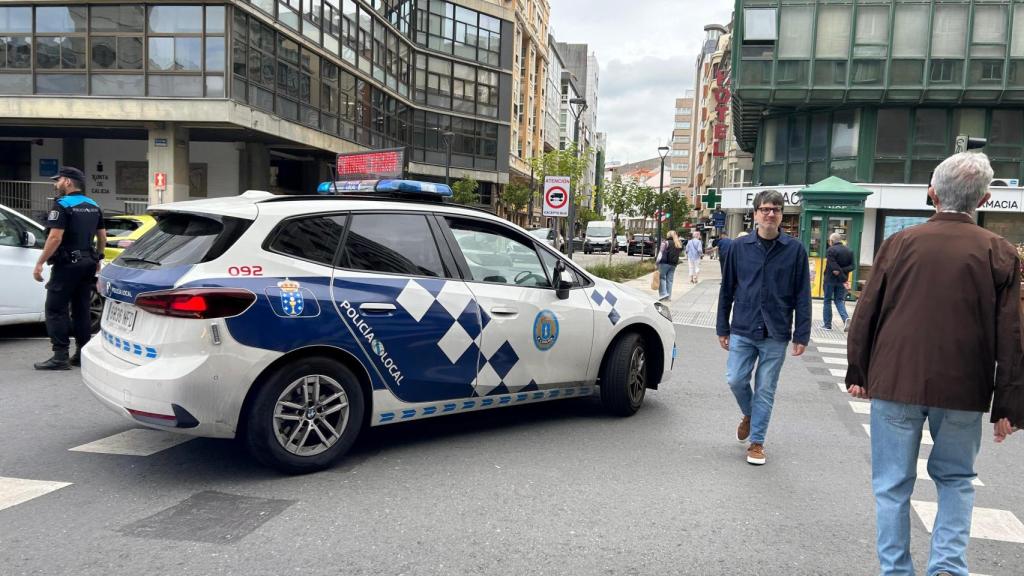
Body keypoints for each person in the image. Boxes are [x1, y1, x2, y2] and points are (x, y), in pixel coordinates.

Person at [846, 152, 1022, 576]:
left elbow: (865, 314)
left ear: (932, 193)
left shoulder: (899, 243)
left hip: (895, 380)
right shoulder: (999, 252)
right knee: (957, 479)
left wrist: (859, 372)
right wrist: (1010, 404)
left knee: (891, 486)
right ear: (982, 199)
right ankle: (946, 567)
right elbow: (1012, 334)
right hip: (963, 386)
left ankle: (896, 570)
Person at [716, 190, 811, 465]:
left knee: (766, 388)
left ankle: (756, 442)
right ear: (755, 213)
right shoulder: (738, 247)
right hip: (743, 328)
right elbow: (727, 290)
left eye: (777, 210)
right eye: (766, 209)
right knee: (735, 379)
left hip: (776, 332)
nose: (771, 214)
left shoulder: (795, 250)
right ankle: (750, 414)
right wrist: (723, 327)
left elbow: (802, 294)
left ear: (782, 215)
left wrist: (801, 333)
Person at [32, 167, 106, 370]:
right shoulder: (94, 205)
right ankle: (82, 355)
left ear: (68, 182)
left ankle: (60, 356)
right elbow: (102, 237)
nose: (56, 184)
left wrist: (40, 262)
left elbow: (55, 237)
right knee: (81, 309)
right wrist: (98, 257)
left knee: (55, 308)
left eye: (58, 180)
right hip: (88, 263)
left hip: (67, 265)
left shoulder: (62, 206)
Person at [822, 232, 855, 331]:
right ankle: (846, 319)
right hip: (842, 280)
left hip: (829, 280)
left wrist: (838, 271)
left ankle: (827, 325)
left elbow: (833, 267)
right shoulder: (849, 250)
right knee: (839, 300)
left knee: (827, 300)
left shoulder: (831, 250)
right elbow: (853, 266)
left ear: (831, 241)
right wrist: (843, 274)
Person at [657, 230, 682, 301]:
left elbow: (660, 253)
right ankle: (668, 297)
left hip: (664, 263)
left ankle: (663, 294)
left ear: (668, 235)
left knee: (662, 278)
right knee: (670, 280)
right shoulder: (678, 243)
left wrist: (656, 263)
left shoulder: (665, 243)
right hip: (673, 264)